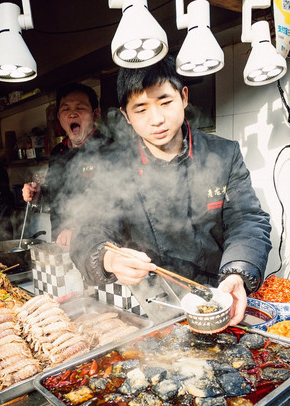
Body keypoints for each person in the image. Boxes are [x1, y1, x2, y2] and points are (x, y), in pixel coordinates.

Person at [70, 55, 272, 326]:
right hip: (148, 305)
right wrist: (108, 258)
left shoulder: (223, 154)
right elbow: (88, 231)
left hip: (217, 296)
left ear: (184, 97)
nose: (157, 119)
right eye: (141, 109)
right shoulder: (112, 167)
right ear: (125, 116)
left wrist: (237, 273)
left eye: (165, 102)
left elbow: (247, 220)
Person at [22, 83, 110, 248]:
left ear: (95, 113)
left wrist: (78, 228)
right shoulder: (58, 151)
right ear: (59, 116)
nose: (72, 114)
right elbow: (56, 193)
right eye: (66, 109)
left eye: (80, 107)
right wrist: (39, 193)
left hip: (99, 246)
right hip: (60, 240)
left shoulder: (108, 149)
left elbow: (114, 202)